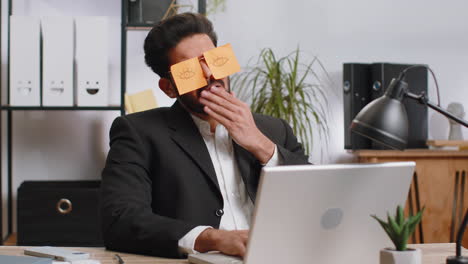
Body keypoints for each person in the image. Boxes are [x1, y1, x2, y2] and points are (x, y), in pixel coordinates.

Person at [100, 12, 309, 259]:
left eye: (214, 60)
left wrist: (262, 146)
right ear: (169, 88)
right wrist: (211, 238)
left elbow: (317, 199)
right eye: (190, 70)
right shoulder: (138, 132)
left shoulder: (274, 130)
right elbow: (121, 221)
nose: (210, 74)